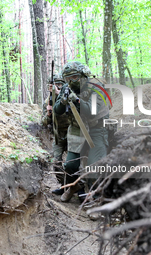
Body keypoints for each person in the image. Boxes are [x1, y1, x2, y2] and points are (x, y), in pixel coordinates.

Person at [53, 61, 109, 202]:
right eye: (68, 78)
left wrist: (76, 100)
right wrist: (63, 102)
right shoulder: (67, 87)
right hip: (77, 129)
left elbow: (91, 111)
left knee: (93, 167)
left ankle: (96, 199)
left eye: (75, 77)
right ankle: (74, 187)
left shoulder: (96, 87)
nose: (71, 81)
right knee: (70, 165)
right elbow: (57, 111)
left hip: (97, 129)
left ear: (84, 75)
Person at [41, 74, 70, 195]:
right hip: (58, 135)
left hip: (71, 134)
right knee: (56, 162)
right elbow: (43, 122)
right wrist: (48, 114)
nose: (57, 87)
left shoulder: (67, 98)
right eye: (55, 84)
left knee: (72, 163)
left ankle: (78, 187)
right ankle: (64, 186)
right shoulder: (47, 101)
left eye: (60, 84)